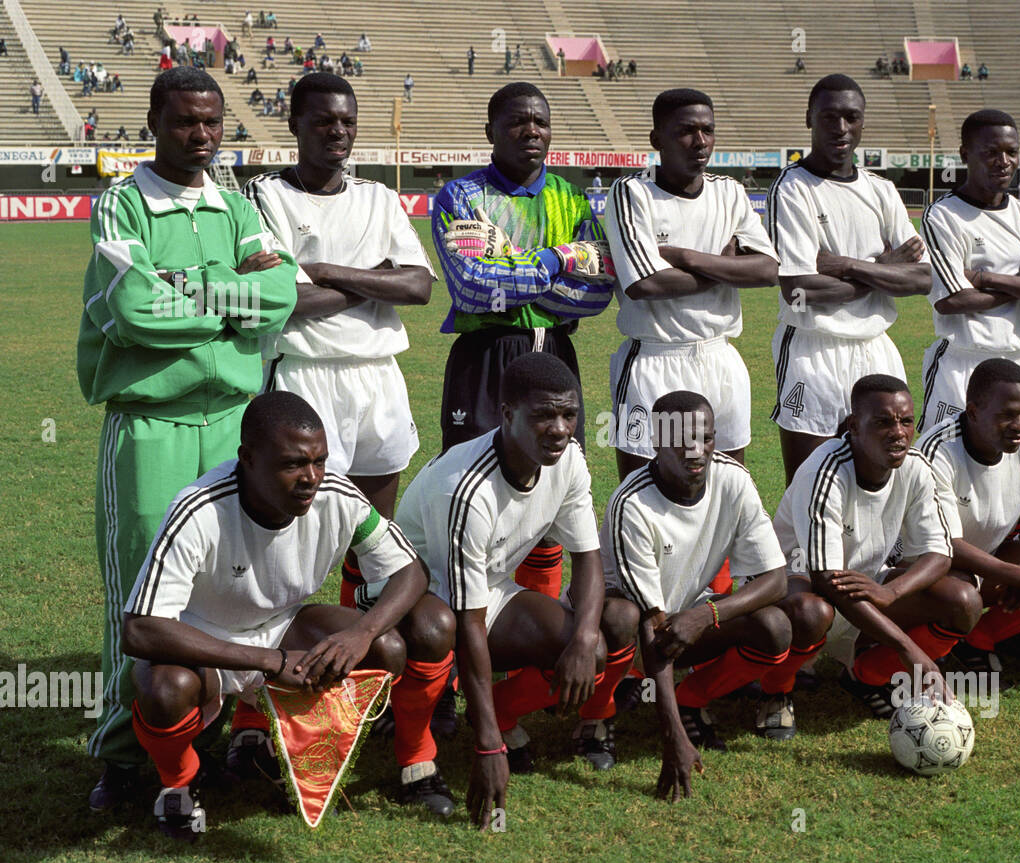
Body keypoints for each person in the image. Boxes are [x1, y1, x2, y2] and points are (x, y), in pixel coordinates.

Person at [78, 67, 298, 811]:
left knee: (238, 580)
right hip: (152, 427)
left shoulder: (236, 206)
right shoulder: (122, 203)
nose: (200, 136)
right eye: (184, 123)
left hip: (234, 426)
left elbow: (281, 294)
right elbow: (134, 309)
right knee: (140, 593)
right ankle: (123, 754)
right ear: (154, 121)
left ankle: (231, 731)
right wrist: (228, 304)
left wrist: (194, 292)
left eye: (212, 123)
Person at [122, 392, 429, 838]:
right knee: (166, 688)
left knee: (385, 648)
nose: (311, 478)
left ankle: (299, 757)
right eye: (292, 465)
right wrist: (267, 662)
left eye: (319, 461)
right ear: (247, 458)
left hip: (284, 628)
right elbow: (140, 629)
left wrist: (362, 632)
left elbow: (409, 571)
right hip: (205, 642)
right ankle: (179, 783)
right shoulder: (199, 509)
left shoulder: (338, 495)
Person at [373, 353, 633, 826]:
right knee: (438, 628)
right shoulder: (464, 487)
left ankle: (497, 714)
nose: (559, 429)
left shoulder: (569, 458)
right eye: (543, 415)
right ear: (507, 413)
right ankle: (415, 758)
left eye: (569, 414)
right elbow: (466, 622)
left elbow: (587, 557)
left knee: (590, 651)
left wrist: (582, 640)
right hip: (406, 593)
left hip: (483, 590)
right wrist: (488, 748)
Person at [242, 72, 435, 611]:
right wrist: (376, 281)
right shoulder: (265, 194)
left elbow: (418, 286)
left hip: (377, 377)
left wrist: (324, 270)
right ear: (295, 125)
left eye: (347, 121)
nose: (338, 131)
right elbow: (287, 300)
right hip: (304, 375)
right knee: (286, 526)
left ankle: (362, 652)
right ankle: (271, 646)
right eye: (324, 120)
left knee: (375, 534)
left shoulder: (379, 197)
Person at [433, 82, 613, 603]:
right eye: (516, 121)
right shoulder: (462, 196)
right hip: (487, 356)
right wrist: (558, 260)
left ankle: (534, 624)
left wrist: (509, 271)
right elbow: (471, 286)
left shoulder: (571, 197)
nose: (530, 130)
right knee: (470, 480)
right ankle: (462, 620)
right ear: (490, 130)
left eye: (540, 121)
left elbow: (597, 292)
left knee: (553, 479)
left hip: (554, 352)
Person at [602, 393, 792, 791]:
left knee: (774, 627)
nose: (696, 451)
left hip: (686, 621)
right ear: (655, 441)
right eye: (682, 439)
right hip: (625, 637)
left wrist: (707, 614)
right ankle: (594, 716)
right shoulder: (631, 503)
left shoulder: (732, 478)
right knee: (622, 618)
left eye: (705, 438)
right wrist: (673, 739)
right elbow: (652, 630)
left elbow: (775, 579)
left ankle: (692, 698)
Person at [604, 87, 778, 491]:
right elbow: (645, 283)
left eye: (707, 130)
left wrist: (687, 257)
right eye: (686, 131)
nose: (700, 141)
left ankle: (721, 559)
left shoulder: (729, 192)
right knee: (643, 490)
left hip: (720, 357)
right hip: (654, 359)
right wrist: (727, 265)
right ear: (656, 140)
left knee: (729, 487)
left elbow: (768, 270)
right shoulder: (632, 194)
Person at [774, 375, 972, 717]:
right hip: (801, 588)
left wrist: (891, 592)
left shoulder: (914, 467)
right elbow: (825, 579)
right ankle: (775, 693)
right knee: (811, 612)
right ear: (854, 426)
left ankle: (866, 675)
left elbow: (939, 554)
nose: (898, 432)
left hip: (865, 585)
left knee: (962, 599)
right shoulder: (825, 471)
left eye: (906, 421)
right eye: (883, 422)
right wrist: (907, 646)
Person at [767, 75, 929, 485]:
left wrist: (850, 266)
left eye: (851, 117)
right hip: (814, 349)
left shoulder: (881, 189)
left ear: (862, 122)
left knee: (883, 479)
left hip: (876, 348)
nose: (841, 128)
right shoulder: (792, 188)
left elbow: (923, 278)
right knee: (810, 482)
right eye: (829, 117)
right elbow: (801, 291)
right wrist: (885, 267)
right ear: (810, 118)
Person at [914, 359, 1020, 677]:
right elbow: (947, 545)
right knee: (961, 591)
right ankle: (877, 670)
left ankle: (984, 637)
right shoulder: (937, 451)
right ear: (974, 411)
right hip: (927, 564)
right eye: (1007, 414)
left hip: (990, 560)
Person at [919, 110, 1020, 443]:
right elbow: (952, 300)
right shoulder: (943, 216)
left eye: (1011, 152)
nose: (1003, 161)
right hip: (965, 364)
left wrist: (986, 279)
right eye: (990, 152)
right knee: (949, 472)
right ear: (964, 154)